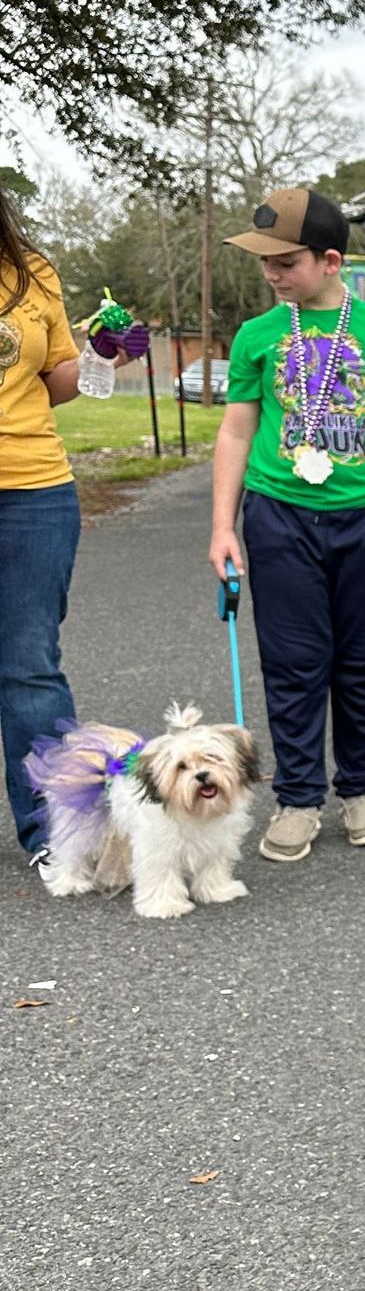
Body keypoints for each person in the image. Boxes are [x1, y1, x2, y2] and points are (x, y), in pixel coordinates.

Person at [209, 187, 365, 864]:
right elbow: (235, 432)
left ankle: (363, 791)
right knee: (293, 663)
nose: (271, 274)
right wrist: (222, 526)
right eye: (265, 262)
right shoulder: (257, 337)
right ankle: (299, 798)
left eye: (285, 262)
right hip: (278, 516)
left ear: (330, 260)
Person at [0, 184, 125, 867]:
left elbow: (53, 382)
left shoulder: (32, 271)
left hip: (33, 491)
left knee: (29, 665)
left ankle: (54, 834)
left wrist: (101, 353)